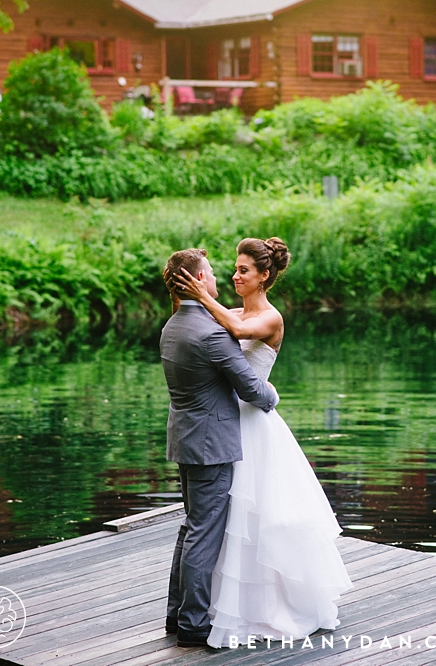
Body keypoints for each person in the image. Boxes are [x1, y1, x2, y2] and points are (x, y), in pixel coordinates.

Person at [172, 236, 353, 648]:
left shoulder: (270, 318)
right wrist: (185, 294)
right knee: (224, 520)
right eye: (233, 270)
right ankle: (215, 607)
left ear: (264, 276)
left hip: (254, 424)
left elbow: (235, 330)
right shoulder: (229, 310)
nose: (235, 276)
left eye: (244, 270)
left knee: (261, 516)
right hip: (222, 425)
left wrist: (203, 293)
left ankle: (268, 606)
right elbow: (204, 327)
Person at [160, 248, 279, 648]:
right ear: (196, 280)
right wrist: (272, 396)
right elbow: (250, 388)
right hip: (214, 444)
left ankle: (176, 615)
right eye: (210, 272)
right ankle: (194, 624)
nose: (218, 278)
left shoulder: (172, 327)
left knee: (190, 527)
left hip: (185, 438)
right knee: (204, 533)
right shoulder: (212, 332)